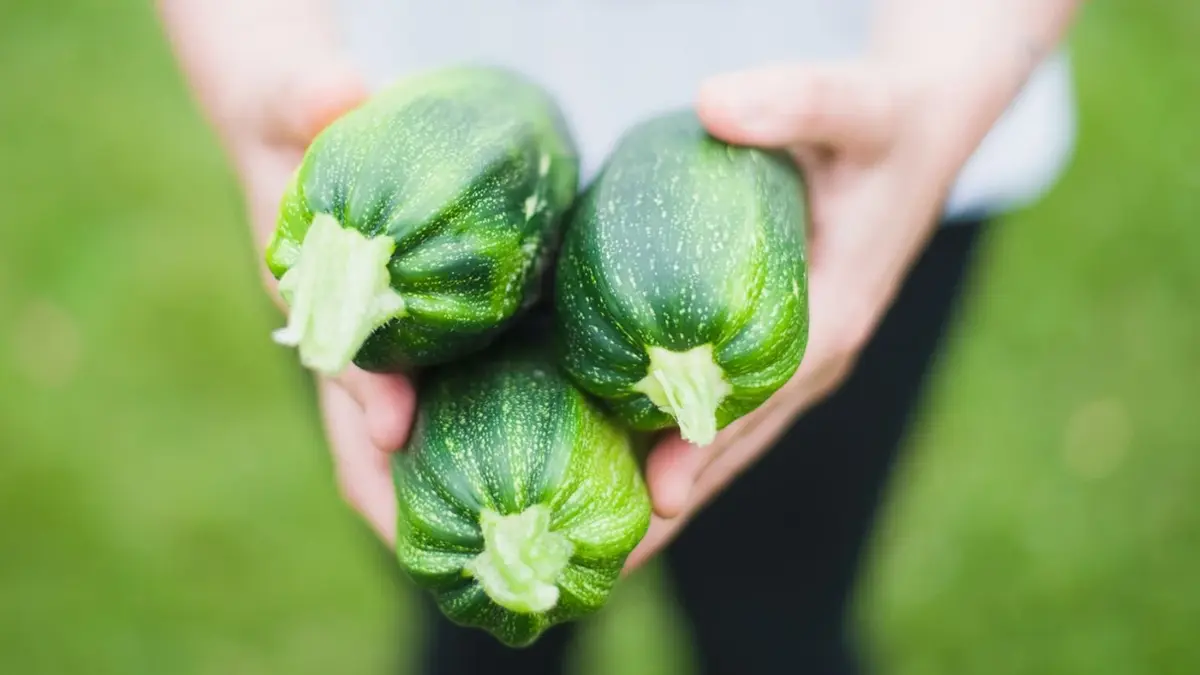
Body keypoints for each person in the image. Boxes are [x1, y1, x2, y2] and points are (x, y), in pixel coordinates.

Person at [157, 1, 1084, 673]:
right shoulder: (363, 218)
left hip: (850, 158)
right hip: (411, 148)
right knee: (480, 636)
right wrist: (253, 61)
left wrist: (943, 90)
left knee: (778, 623)